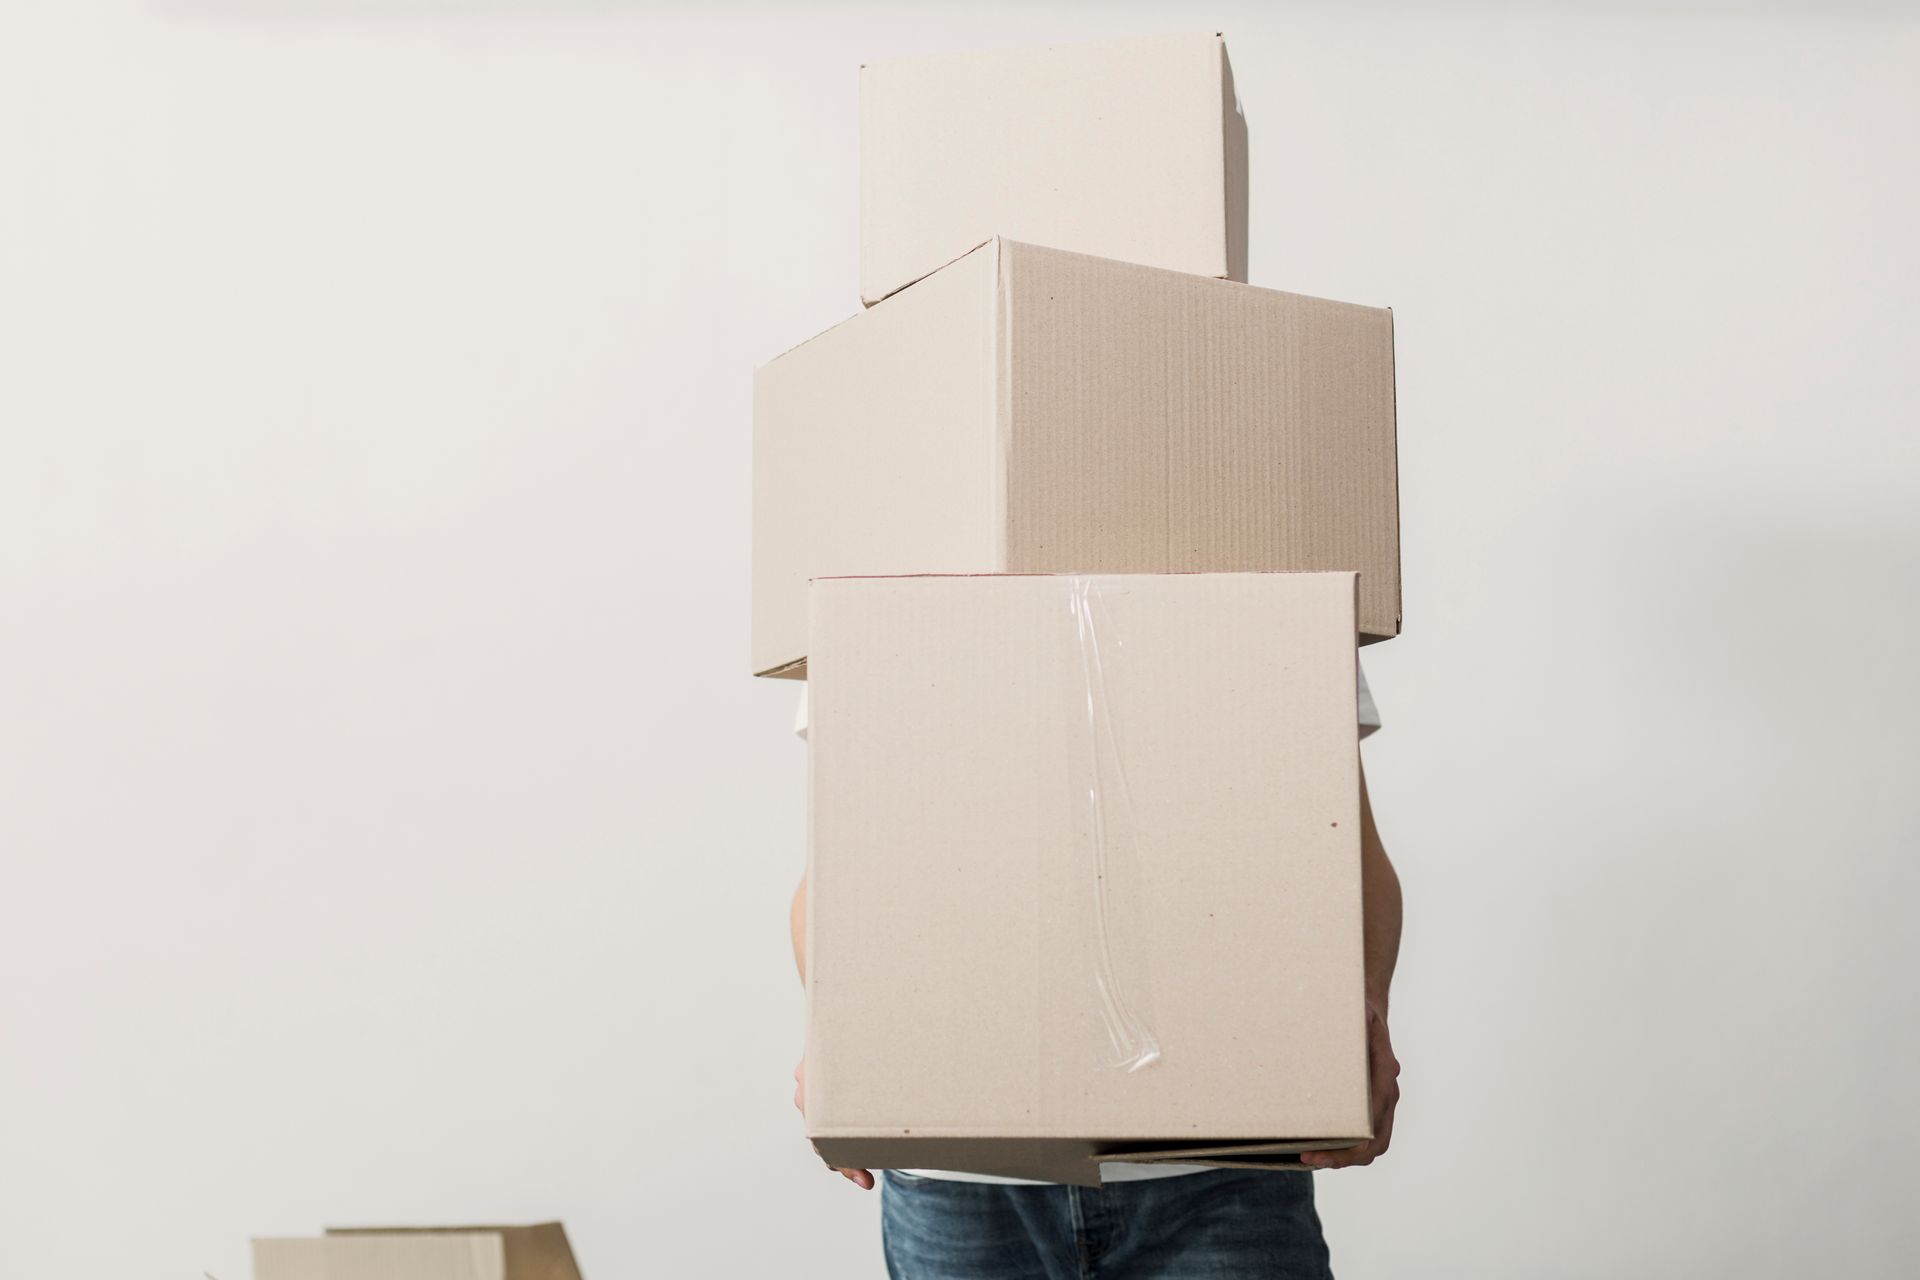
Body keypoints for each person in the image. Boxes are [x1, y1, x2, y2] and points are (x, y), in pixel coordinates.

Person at [789, 663, 1402, 1280]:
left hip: (1224, 1164)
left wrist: (1364, 1013)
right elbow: (836, 874)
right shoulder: (884, 603)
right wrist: (836, 1042)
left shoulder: (1272, 594)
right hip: (958, 1174)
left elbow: (1351, 846)